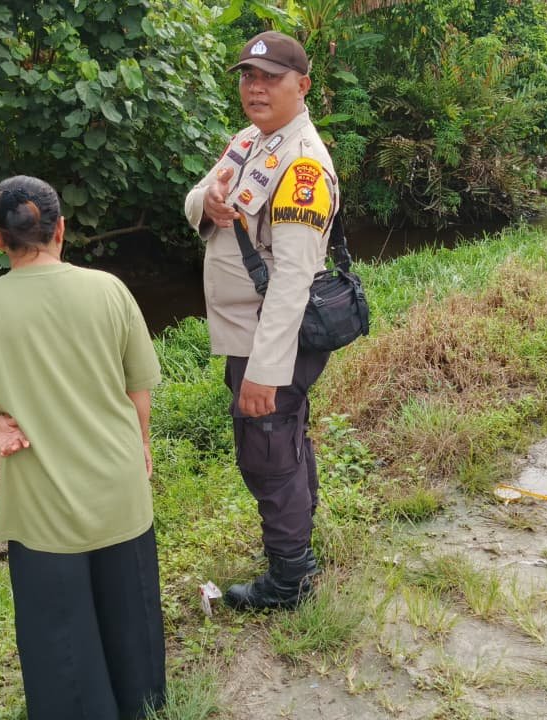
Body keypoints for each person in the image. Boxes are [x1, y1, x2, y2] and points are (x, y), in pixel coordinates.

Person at [0, 176, 165, 719]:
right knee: (131, 618)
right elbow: (139, 385)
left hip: (42, 504)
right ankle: (143, 707)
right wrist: (140, 443)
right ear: (60, 228)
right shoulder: (108, 290)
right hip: (119, 488)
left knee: (60, 637)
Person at [184, 31, 341, 611]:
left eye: (270, 78)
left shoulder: (302, 167)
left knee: (267, 448)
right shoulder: (251, 139)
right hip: (245, 334)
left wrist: (265, 373)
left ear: (301, 86)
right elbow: (195, 197)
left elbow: (293, 282)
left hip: (270, 340)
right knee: (284, 439)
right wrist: (211, 203)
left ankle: (289, 580)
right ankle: (299, 548)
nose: (256, 87)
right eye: (248, 76)